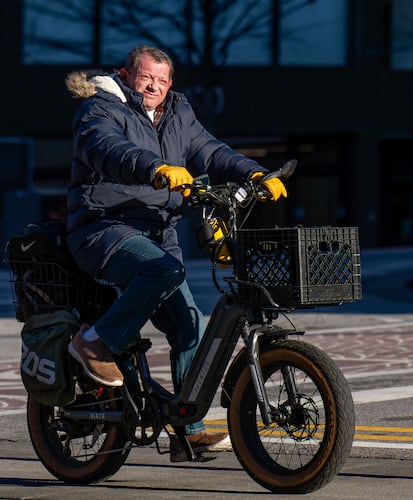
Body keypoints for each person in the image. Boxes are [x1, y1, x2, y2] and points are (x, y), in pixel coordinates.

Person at [64, 45, 287, 461]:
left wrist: (253, 172)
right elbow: (107, 149)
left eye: (163, 80)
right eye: (147, 77)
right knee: (164, 272)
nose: (155, 86)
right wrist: (154, 167)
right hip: (104, 228)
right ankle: (94, 342)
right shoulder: (99, 108)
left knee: (190, 327)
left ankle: (188, 429)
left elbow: (210, 150)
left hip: (159, 232)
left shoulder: (178, 113)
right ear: (127, 75)